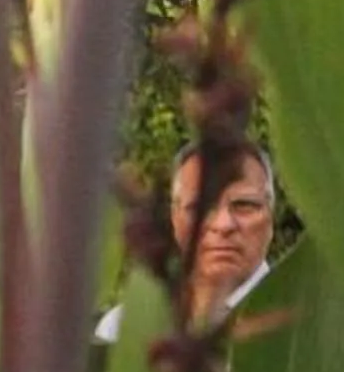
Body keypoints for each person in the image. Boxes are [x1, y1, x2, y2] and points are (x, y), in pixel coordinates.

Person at [95, 142, 278, 341]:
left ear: (271, 216)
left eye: (244, 205)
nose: (223, 224)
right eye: (200, 208)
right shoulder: (121, 329)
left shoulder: (308, 325)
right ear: (174, 218)